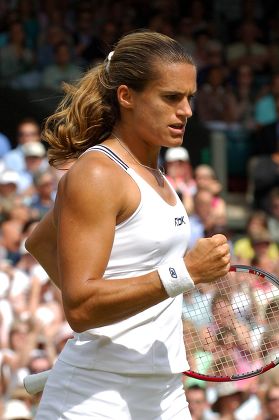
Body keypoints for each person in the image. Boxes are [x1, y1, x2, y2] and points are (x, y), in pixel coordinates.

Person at [25, 30, 230, 419]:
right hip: (95, 397)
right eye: (171, 97)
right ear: (127, 96)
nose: (185, 110)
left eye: (189, 98)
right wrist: (182, 272)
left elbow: (40, 241)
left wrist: (120, 324)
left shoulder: (155, 174)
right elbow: (80, 308)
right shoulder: (98, 173)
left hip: (164, 392)